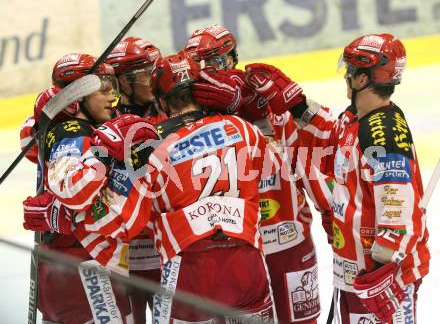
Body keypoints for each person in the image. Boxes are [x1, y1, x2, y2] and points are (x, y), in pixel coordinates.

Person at [245, 33, 430, 323]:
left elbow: (399, 211)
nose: (346, 76)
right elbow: (333, 139)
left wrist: (383, 270)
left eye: (350, 71)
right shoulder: (357, 119)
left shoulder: (384, 134)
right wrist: (297, 105)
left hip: (379, 279)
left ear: (361, 79)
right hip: (356, 273)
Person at [87, 51, 279, 322]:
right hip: (247, 263)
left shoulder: (150, 148)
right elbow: (271, 170)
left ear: (161, 100)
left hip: (187, 271)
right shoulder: (243, 128)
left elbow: (123, 222)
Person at [185, 24, 330, 323]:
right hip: (235, 253)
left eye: (219, 61)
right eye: (205, 65)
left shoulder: (268, 99)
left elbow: (309, 158)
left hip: (287, 238)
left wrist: (330, 212)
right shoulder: (193, 125)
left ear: (233, 56)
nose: (214, 71)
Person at [22, 53, 140, 324]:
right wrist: (106, 152)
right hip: (82, 265)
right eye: (103, 89)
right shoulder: (73, 131)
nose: (113, 97)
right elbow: (75, 190)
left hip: (61, 264)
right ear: (76, 98)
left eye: (114, 88)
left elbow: (26, 140)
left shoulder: (62, 128)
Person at [106, 36, 165, 323]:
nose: (153, 81)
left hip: (166, 251)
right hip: (122, 257)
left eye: (155, 72)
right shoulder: (102, 122)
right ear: (123, 83)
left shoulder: (172, 112)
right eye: (145, 75)